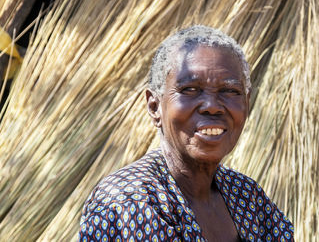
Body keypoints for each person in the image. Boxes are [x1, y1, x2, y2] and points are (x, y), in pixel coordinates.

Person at [78, 25, 294, 242]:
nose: (212, 106)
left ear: (246, 104)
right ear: (155, 107)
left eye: (229, 91)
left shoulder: (246, 196)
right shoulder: (131, 200)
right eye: (190, 89)